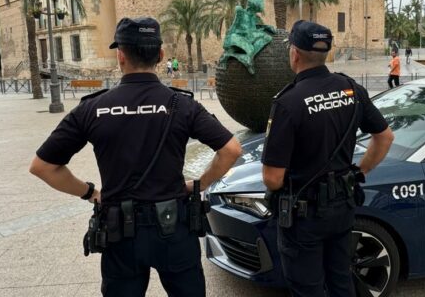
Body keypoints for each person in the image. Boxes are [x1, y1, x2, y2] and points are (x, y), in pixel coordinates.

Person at [30, 17, 242, 297]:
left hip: (121, 232)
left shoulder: (93, 108)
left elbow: (42, 166)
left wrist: (91, 192)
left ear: (120, 55)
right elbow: (231, 150)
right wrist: (199, 184)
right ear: (161, 55)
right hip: (174, 227)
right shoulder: (182, 105)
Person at [262, 20, 394, 297]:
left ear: (294, 54)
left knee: (308, 287)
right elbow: (384, 137)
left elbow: (273, 178)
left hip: (304, 215)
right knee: (341, 280)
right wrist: (359, 172)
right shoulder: (351, 89)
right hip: (343, 207)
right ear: (327, 53)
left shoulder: (288, 102)